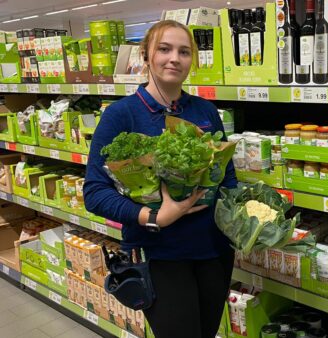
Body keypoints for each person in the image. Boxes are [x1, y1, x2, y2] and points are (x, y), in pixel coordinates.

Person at [83, 20, 237, 338]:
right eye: (164, 49)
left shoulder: (205, 111)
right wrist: (155, 217)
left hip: (214, 250)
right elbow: (95, 192)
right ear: (146, 56)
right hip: (159, 254)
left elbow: (227, 176)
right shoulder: (121, 115)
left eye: (184, 51)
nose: (174, 59)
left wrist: (243, 221)